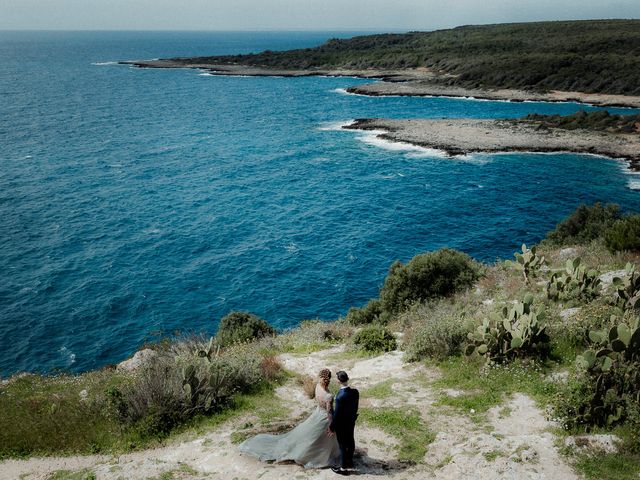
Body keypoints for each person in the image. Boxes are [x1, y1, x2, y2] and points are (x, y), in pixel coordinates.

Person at [238, 368, 340, 468]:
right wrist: (332, 425)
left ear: (320, 377)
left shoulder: (317, 386)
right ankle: (313, 456)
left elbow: (317, 400)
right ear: (329, 379)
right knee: (320, 437)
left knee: (311, 436)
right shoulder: (328, 396)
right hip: (324, 418)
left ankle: (311, 452)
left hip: (317, 413)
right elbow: (330, 412)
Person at [329, 370, 359, 475]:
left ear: (338, 381)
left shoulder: (340, 396)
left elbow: (337, 415)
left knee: (342, 444)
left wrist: (332, 427)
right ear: (347, 379)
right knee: (350, 441)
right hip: (351, 422)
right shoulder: (355, 392)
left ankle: (343, 468)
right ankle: (350, 462)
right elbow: (355, 407)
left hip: (342, 424)